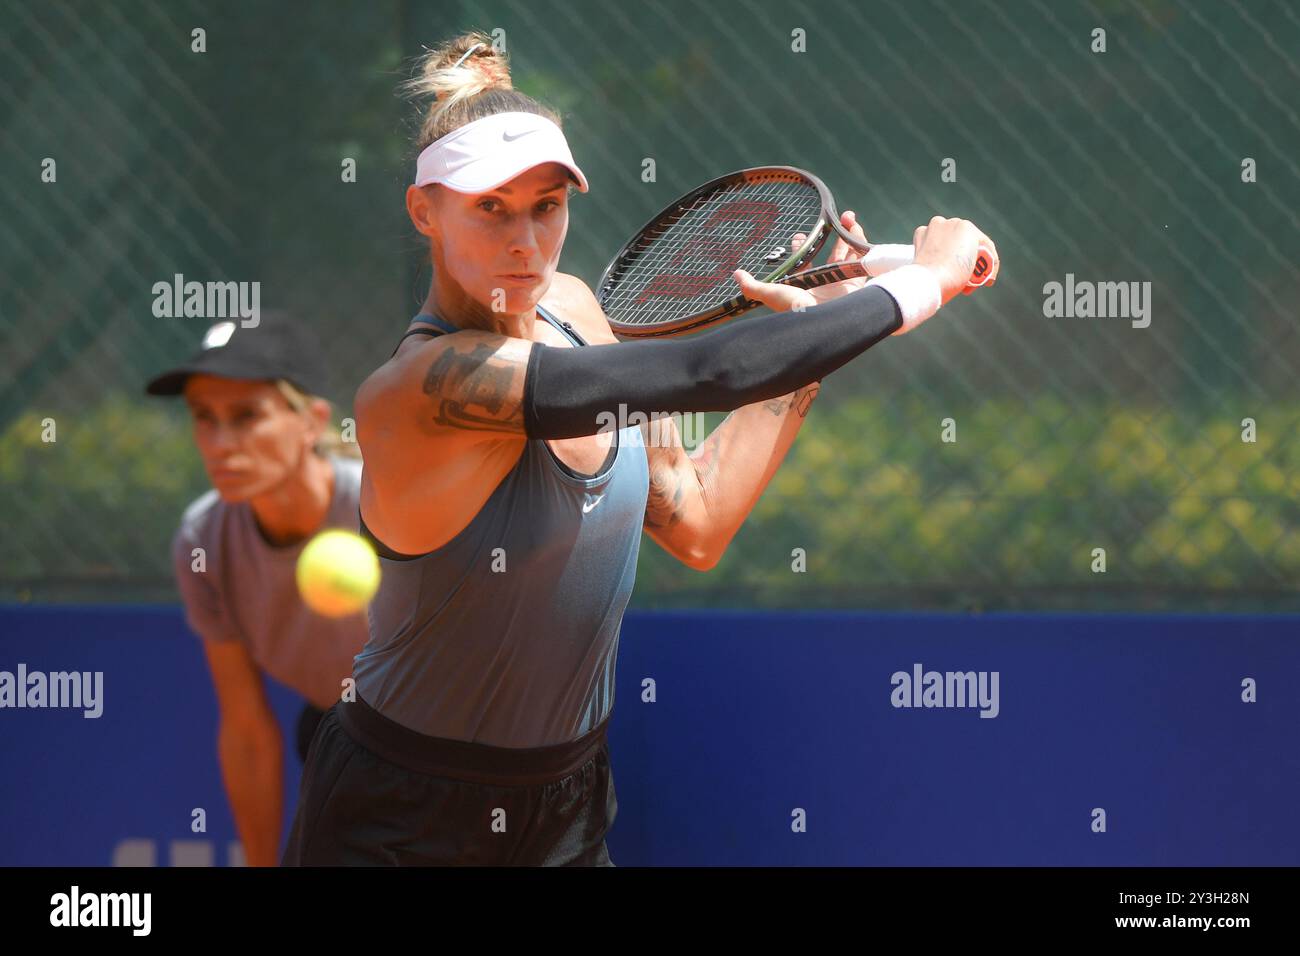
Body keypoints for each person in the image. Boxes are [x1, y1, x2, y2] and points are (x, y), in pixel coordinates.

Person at [282, 32, 999, 866]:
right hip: (400, 816)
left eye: (546, 206)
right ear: (423, 213)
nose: (525, 241)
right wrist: (919, 284)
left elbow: (695, 521)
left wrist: (815, 331)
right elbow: (709, 368)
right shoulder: (421, 391)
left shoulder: (580, 314)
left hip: (569, 806)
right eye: (490, 208)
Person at [145, 314, 369, 867]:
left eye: (247, 416)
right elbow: (246, 728)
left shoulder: (384, 505)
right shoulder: (203, 543)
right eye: (204, 418)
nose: (221, 444)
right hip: (337, 736)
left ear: (311, 423)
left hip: (458, 744)